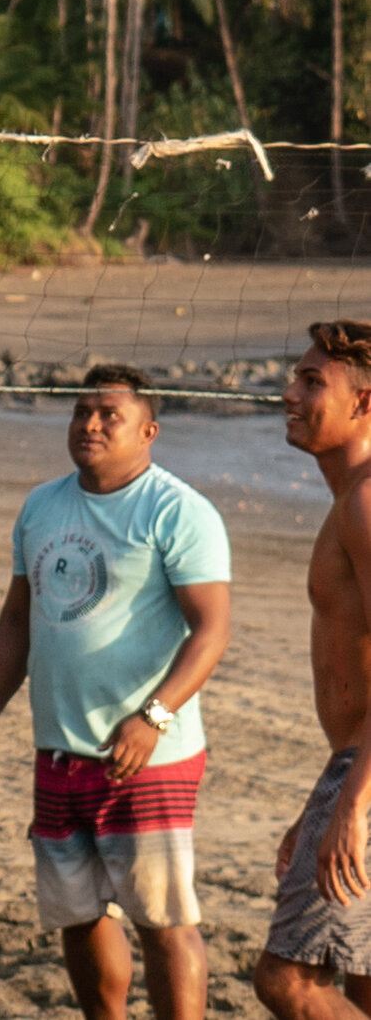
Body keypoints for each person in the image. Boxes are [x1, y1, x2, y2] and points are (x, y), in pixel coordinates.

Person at [0, 365, 230, 1020]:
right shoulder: (41, 504)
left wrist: (154, 717)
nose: (91, 423)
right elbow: (17, 620)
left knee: (163, 919)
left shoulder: (177, 508)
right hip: (59, 749)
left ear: (148, 430)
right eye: (81, 411)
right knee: (77, 913)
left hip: (147, 754)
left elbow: (212, 630)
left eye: (109, 414)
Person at [255, 321, 371, 1019]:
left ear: (365, 402)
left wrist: (351, 802)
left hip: (366, 773)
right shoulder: (349, 497)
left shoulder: (364, 501)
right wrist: (319, 800)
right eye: (293, 378)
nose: (288, 394)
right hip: (355, 759)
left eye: (310, 383)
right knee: (362, 977)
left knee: (288, 980)